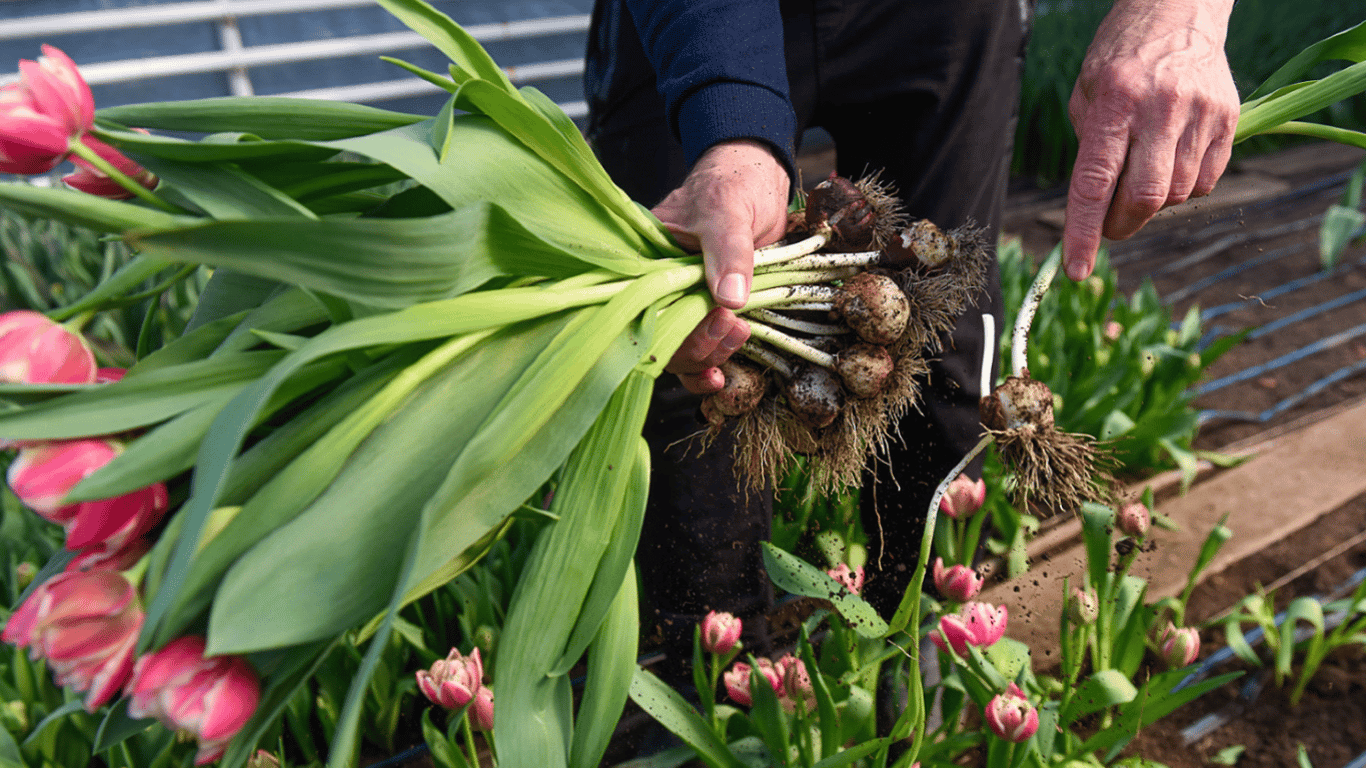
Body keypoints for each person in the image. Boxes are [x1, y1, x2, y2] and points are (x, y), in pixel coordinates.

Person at [584, 0, 1240, 671]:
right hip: (706, 19)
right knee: (688, 345)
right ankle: (707, 663)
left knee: (944, 339)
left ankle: (918, 634)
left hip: (946, 17)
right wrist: (731, 125)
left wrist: (1176, 15)